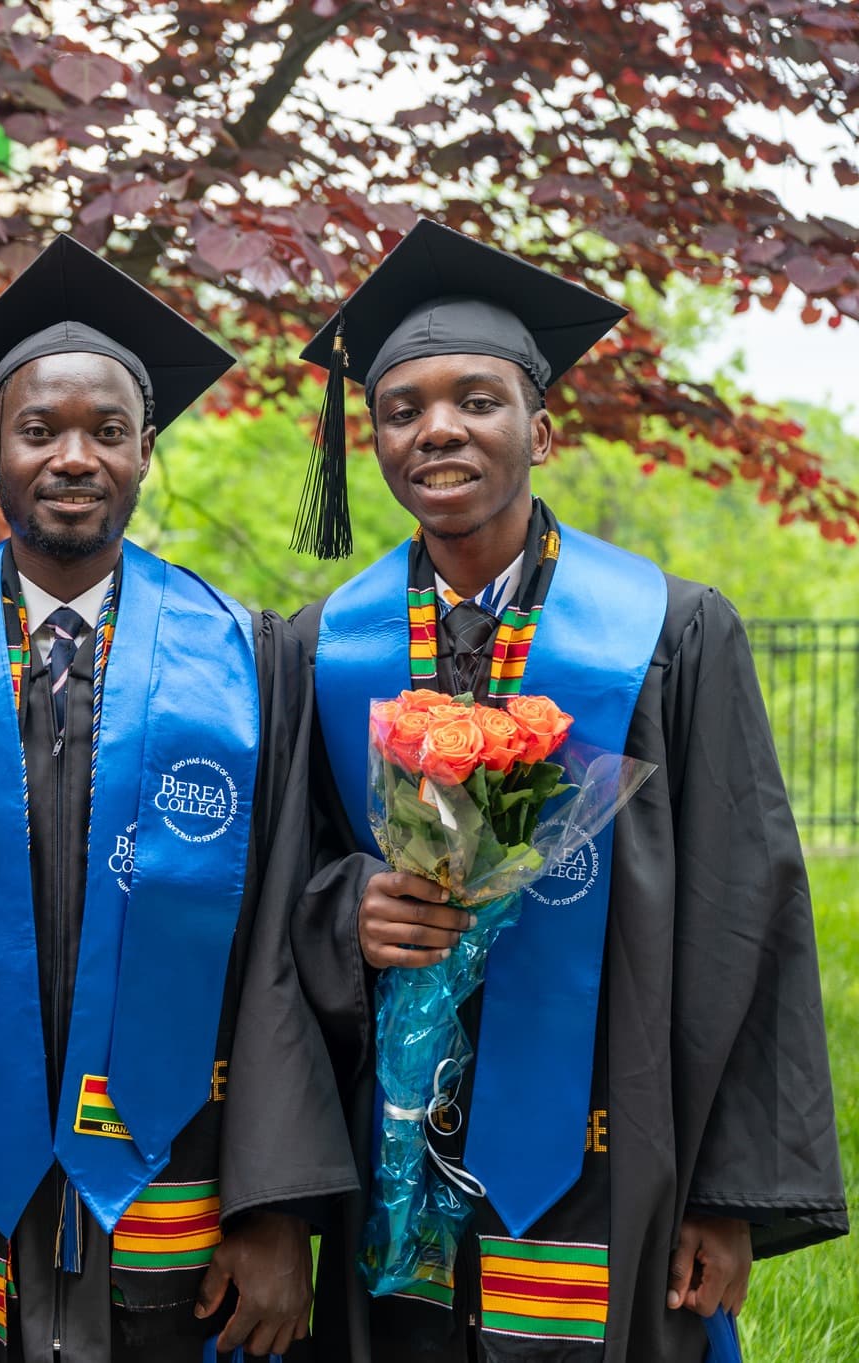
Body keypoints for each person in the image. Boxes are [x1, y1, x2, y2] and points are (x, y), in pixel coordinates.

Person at [287, 218, 848, 1361]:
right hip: (384, 1130)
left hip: (614, 1130)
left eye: (475, 400)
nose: (436, 428)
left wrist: (724, 1190)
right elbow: (266, 886)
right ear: (374, 440)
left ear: (538, 429)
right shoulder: (320, 647)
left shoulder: (666, 634)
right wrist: (346, 910)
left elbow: (746, 905)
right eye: (400, 408)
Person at [0, 236, 355, 1363]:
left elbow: (281, 941)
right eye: (39, 430)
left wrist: (272, 1207)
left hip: (186, 1195)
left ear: (144, 449)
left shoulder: (245, 664)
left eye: (108, 431)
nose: (73, 457)